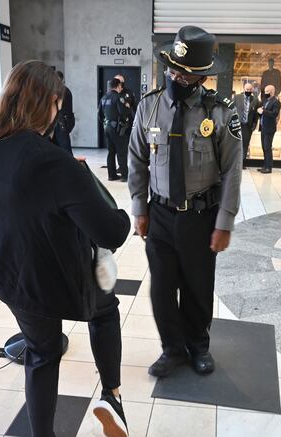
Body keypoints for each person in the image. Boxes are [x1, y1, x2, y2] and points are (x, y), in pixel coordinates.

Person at [0, 60, 131, 437]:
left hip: (4, 272)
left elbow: (21, 197)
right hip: (54, 273)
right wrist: (108, 203)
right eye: (59, 105)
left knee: (42, 352)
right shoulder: (53, 164)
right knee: (104, 310)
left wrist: (67, 177)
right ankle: (112, 395)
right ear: (50, 103)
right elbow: (111, 232)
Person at [129, 25, 242, 378]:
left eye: (185, 74)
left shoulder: (220, 112)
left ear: (202, 77)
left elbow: (232, 171)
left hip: (200, 216)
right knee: (162, 290)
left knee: (197, 287)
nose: (176, 77)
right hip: (161, 214)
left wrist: (224, 222)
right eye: (172, 70)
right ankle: (172, 349)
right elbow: (136, 160)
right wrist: (140, 209)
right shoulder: (149, 108)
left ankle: (198, 346)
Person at [100, 78, 129, 182]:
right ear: (117, 86)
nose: (121, 87)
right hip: (117, 128)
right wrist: (127, 107)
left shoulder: (103, 98)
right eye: (120, 86)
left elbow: (99, 114)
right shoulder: (118, 97)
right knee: (122, 151)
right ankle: (125, 175)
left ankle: (111, 175)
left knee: (111, 152)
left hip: (107, 127)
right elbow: (122, 113)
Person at [235, 82, 260, 168]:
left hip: (247, 126)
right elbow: (231, 110)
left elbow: (256, 115)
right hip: (237, 125)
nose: (248, 91)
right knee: (236, 144)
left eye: (250, 90)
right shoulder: (237, 98)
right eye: (247, 89)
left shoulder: (255, 100)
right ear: (244, 89)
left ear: (252, 90)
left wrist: (254, 125)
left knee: (245, 145)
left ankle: (242, 163)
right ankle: (235, 163)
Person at [257, 85, 280, 173]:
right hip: (263, 127)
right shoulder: (265, 101)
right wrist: (260, 111)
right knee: (264, 147)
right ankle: (265, 166)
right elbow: (263, 111)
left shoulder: (276, 102)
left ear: (272, 92)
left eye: (267, 92)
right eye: (265, 91)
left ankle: (269, 167)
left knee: (267, 147)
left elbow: (274, 114)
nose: (265, 93)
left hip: (269, 128)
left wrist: (263, 111)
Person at [52, 71, 75, 154]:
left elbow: (59, 106)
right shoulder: (63, 90)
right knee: (59, 147)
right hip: (61, 122)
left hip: (61, 123)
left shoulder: (63, 91)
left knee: (65, 148)